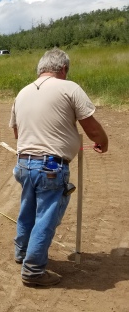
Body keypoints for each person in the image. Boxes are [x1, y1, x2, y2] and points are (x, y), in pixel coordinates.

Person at [9, 48, 108, 287]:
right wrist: (103, 141)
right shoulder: (69, 88)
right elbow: (91, 127)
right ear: (63, 69)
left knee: (27, 210)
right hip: (51, 165)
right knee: (46, 216)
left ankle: (22, 253)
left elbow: (16, 131)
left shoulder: (22, 92)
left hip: (24, 162)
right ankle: (33, 271)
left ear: (41, 68)